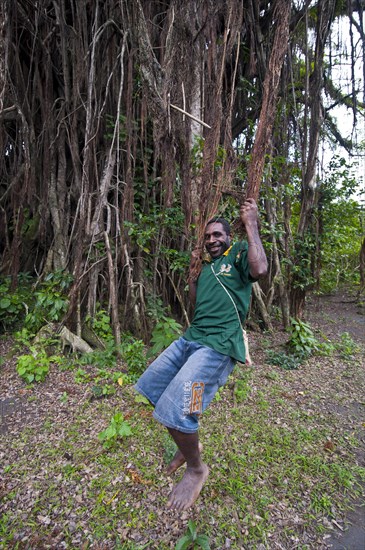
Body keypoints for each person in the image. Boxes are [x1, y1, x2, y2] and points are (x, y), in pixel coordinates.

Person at [135, 198, 268, 511]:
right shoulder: (207, 270)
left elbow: (260, 268)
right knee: (150, 386)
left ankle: (196, 468)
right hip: (190, 340)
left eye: (217, 235)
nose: (212, 240)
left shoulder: (237, 255)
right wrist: (194, 273)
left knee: (177, 406)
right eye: (208, 237)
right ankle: (187, 439)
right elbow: (196, 305)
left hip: (218, 345)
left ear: (227, 237)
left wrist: (251, 225)